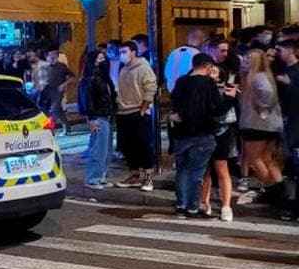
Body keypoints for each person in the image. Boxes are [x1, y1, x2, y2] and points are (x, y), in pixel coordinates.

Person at [168, 53, 236, 217]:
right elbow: (216, 110)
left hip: (181, 132)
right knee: (196, 173)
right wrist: (229, 98)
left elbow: (175, 105)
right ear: (207, 66)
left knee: (182, 171)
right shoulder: (208, 84)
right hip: (202, 133)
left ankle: (181, 205)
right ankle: (193, 206)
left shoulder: (181, 81)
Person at [197, 44, 240, 222]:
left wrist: (229, 96)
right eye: (210, 71)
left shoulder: (227, 89)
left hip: (222, 131)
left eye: (215, 72)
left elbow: (228, 115)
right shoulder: (203, 87)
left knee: (221, 168)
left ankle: (226, 206)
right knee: (205, 170)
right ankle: (203, 202)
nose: (212, 73)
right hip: (205, 131)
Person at [240, 49, 285, 203]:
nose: (244, 62)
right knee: (267, 158)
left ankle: (274, 190)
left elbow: (267, 94)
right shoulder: (263, 76)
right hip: (270, 125)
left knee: (254, 159)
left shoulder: (257, 78)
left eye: (247, 61)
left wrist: (261, 108)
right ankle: (279, 188)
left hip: (258, 125)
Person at [115, 40, 158, 190]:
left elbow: (151, 87)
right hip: (123, 112)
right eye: (120, 52)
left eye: (124, 52)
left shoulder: (143, 68)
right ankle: (134, 175)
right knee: (128, 146)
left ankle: (148, 176)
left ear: (133, 52)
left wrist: (144, 107)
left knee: (143, 145)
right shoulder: (123, 69)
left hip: (137, 111)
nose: (122, 55)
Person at [78, 49, 117, 189]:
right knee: (98, 148)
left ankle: (101, 176)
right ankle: (93, 178)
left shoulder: (104, 77)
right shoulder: (89, 79)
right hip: (98, 116)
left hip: (107, 115)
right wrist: (92, 118)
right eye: (99, 59)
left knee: (106, 149)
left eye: (103, 58)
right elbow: (88, 100)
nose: (102, 61)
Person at [275, 39, 299, 220]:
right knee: (290, 164)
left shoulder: (296, 72)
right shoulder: (281, 69)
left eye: (281, 50)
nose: (278, 53)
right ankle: (291, 201)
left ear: (290, 51)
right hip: (287, 120)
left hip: (295, 122)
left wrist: (289, 84)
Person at [41, 50, 73, 134]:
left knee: (54, 109)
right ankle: (67, 127)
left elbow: (72, 77)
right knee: (58, 110)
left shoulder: (62, 66)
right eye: (50, 54)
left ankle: (50, 130)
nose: (52, 56)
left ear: (57, 56)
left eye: (54, 54)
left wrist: (64, 84)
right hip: (47, 92)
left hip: (58, 92)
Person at [164, 29, 204, 94]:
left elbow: (166, 73)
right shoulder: (198, 55)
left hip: (172, 93)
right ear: (202, 40)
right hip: (189, 94)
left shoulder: (173, 52)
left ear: (188, 38)